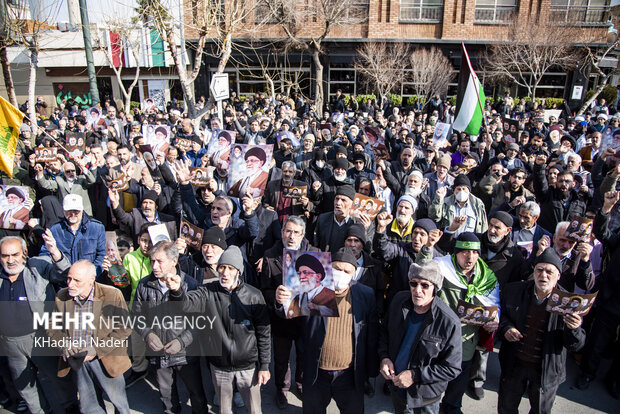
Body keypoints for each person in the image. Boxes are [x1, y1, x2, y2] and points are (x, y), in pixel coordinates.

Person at [165, 246, 271, 414]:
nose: (225, 272)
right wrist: (177, 291)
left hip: (248, 367)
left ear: (239, 271)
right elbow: (186, 305)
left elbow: (264, 334)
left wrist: (264, 366)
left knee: (254, 410)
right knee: (224, 410)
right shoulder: (207, 291)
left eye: (230, 268)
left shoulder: (254, 295)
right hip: (219, 367)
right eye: (222, 267)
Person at [275, 247, 379, 414]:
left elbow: (371, 334)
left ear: (354, 274)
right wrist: (281, 302)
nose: (341, 274)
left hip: (349, 374)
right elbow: (288, 314)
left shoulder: (365, 295)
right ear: (329, 269)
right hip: (316, 373)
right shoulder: (308, 290)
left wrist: (370, 370)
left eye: (347, 271)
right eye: (337, 269)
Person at [498, 248, 585, 413]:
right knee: (506, 407)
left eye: (549, 271)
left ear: (558, 275)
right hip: (515, 363)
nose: (543, 275)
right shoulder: (514, 291)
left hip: (546, 370)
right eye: (539, 269)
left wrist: (573, 329)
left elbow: (576, 345)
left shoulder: (570, 304)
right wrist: (507, 328)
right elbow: (500, 318)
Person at [0, 234, 78, 414]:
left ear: (24, 253)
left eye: (15, 255)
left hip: (40, 336)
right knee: (24, 385)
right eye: (5, 256)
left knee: (58, 378)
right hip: (10, 342)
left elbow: (64, 273)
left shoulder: (37, 267)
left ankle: (70, 407)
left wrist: (55, 252)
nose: (10, 260)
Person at [47, 260, 132, 414]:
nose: (70, 284)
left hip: (106, 358)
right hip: (78, 359)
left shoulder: (111, 294)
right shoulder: (62, 296)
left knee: (118, 402)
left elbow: (124, 328)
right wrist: (65, 344)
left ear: (91, 279)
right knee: (89, 405)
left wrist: (97, 349)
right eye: (69, 279)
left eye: (77, 280)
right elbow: (53, 327)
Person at [132, 241, 208, 414]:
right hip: (158, 354)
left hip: (185, 354)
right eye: (152, 261)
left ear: (174, 261)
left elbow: (200, 321)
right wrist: (148, 334)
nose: (154, 266)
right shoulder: (144, 285)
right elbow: (136, 316)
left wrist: (181, 342)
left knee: (196, 395)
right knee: (167, 399)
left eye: (159, 261)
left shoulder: (191, 285)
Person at [379, 260, 463, 414]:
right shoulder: (399, 301)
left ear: (435, 287)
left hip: (424, 400)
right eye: (413, 283)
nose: (418, 290)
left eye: (425, 285)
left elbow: (452, 368)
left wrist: (414, 375)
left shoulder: (449, 322)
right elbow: (384, 332)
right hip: (396, 389)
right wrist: (384, 357)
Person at [259, 215, 317, 408]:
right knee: (281, 358)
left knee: (303, 354)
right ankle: (281, 389)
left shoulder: (315, 254)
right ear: (282, 232)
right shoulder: (270, 255)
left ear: (303, 234)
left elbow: (323, 289)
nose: (292, 236)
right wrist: (274, 296)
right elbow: (263, 290)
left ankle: (300, 384)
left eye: (296, 232)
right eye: (288, 231)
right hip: (281, 318)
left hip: (305, 317)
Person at [40, 194, 106, 272]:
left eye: (76, 211)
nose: (73, 214)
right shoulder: (54, 230)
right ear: (63, 210)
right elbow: (45, 254)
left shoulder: (97, 228)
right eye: (69, 210)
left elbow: (101, 255)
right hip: (62, 279)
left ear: (82, 209)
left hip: (88, 278)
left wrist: (90, 274)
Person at [283, 253, 338, 318]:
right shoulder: (297, 299)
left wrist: (318, 308)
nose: (301, 277)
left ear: (318, 277)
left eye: (305, 272)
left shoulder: (331, 296)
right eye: (299, 273)